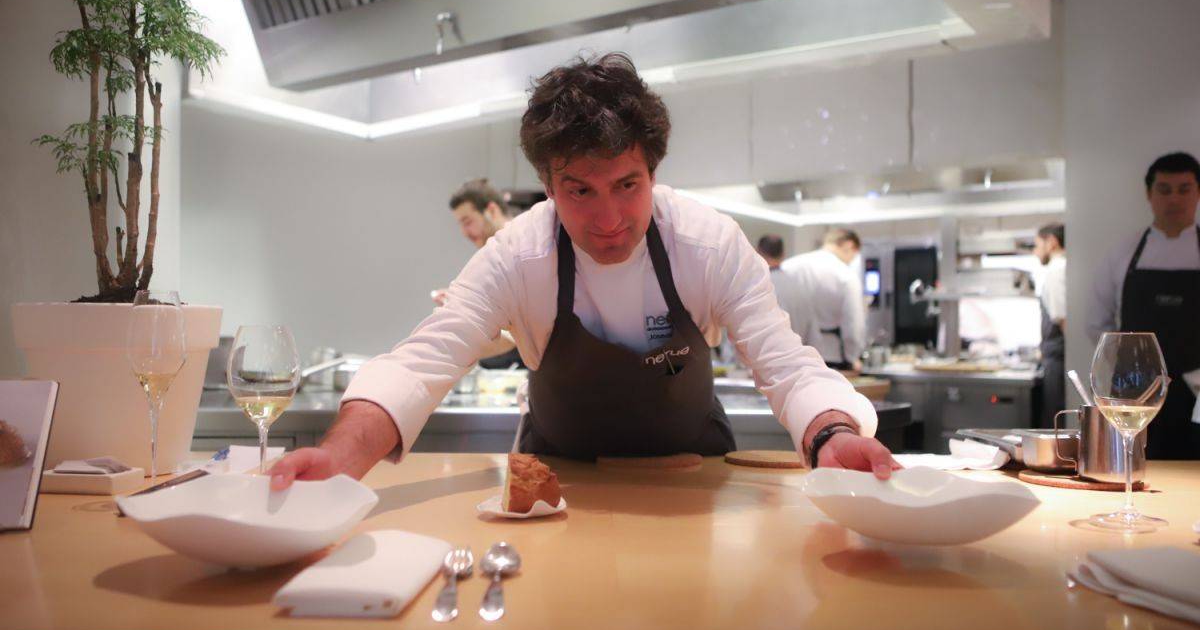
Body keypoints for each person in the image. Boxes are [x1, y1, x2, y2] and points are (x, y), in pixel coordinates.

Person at [268, 53, 897, 490]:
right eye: (580, 191)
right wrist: (338, 456)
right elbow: (423, 361)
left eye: (628, 184)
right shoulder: (519, 253)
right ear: (546, 185)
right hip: (555, 487)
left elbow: (784, 363)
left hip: (693, 483)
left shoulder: (707, 244)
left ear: (654, 171)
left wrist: (831, 435)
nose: (610, 218)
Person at [1088, 151, 1200, 459]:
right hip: (1133, 397)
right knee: (1134, 473)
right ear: (1149, 194)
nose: (1174, 199)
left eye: (1184, 189)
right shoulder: (1123, 253)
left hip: (1198, 395)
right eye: (1164, 190)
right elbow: (1098, 324)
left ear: (1198, 192)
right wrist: (1125, 367)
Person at [435, 179, 523, 369]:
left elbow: (519, 331)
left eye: (468, 222)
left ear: (491, 210)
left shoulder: (522, 248)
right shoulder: (492, 256)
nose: (464, 232)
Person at [780, 228, 867, 372]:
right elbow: (853, 324)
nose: (851, 261)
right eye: (853, 256)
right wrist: (853, 357)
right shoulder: (846, 276)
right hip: (829, 357)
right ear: (849, 245)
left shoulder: (788, 267)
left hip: (789, 356)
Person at [1033, 223, 1066, 429]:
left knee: (1056, 423)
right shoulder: (1063, 268)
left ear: (1051, 242)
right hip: (1058, 357)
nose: (1035, 252)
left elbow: (1063, 320)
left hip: (1059, 360)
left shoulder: (1056, 271)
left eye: (1037, 245)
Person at [756, 234, 809, 342]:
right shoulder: (800, 286)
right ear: (783, 255)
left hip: (762, 356)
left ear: (757, 252)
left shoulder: (754, 286)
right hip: (797, 353)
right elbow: (813, 331)